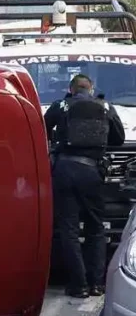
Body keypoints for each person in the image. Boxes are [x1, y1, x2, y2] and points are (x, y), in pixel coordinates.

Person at [44, 73, 125, 298]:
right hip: (92, 172)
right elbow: (118, 139)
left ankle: (78, 285)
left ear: (71, 90)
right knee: (96, 228)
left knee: (69, 229)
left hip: (64, 171)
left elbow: (42, 128)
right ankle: (96, 283)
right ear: (90, 89)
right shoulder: (106, 106)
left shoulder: (60, 105)